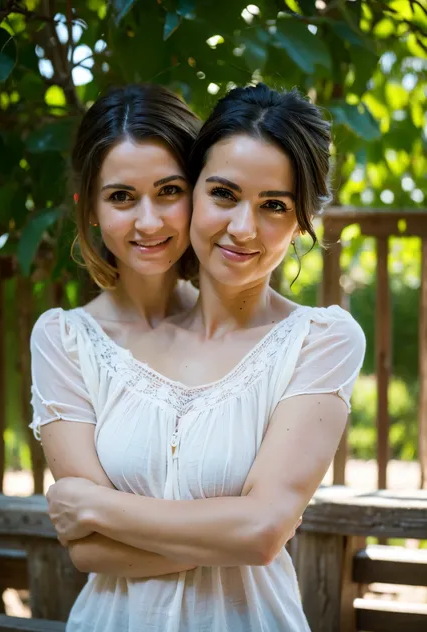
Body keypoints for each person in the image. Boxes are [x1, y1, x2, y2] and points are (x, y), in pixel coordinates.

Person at [41, 84, 366, 632]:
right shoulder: (86, 339)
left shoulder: (320, 339)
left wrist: (96, 507)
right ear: (200, 192)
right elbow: (89, 551)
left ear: (304, 218)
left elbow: (262, 534)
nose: (243, 228)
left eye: (274, 206)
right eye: (224, 194)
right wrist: (228, 533)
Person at [29, 82, 203, 575]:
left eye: (169, 191)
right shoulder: (64, 340)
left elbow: (265, 531)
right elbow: (89, 549)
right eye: (122, 197)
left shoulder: (239, 332)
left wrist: (257, 535)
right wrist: (238, 539)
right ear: (91, 209)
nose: (148, 222)